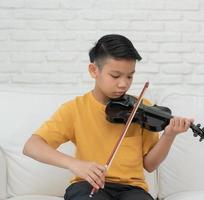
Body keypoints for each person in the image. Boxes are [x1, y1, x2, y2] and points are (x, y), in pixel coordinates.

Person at [23, 34, 193, 200]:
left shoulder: (142, 108)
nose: (124, 84)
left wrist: (169, 135)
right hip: (88, 185)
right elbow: (32, 146)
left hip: (132, 189)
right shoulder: (75, 108)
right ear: (93, 70)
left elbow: (150, 165)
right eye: (115, 76)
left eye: (130, 76)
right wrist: (75, 164)